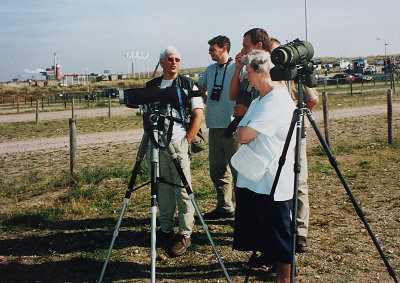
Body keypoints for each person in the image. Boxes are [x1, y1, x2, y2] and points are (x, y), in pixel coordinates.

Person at [233, 50, 295, 283]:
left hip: (273, 178)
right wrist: (242, 130)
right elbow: (243, 130)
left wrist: (242, 130)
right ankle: (274, 270)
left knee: (279, 231)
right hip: (256, 176)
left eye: (248, 72)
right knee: (266, 231)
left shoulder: (277, 99)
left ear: (262, 72)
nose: (246, 77)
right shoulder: (260, 99)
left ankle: (285, 278)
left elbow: (245, 133)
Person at [145, 45, 205, 257]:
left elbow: (199, 115)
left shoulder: (189, 84)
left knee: (182, 188)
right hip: (157, 144)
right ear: (162, 62)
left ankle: (185, 233)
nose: (174, 63)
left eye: (177, 59)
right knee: (162, 188)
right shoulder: (151, 86)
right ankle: (166, 229)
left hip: (178, 143)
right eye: (170, 59)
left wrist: (187, 141)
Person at [270, 37, 319, 253]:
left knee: (300, 183)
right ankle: (281, 228)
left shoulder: (294, 75)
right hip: (275, 137)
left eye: (278, 52)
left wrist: (295, 115)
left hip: (295, 132)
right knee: (279, 182)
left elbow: (312, 100)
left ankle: (300, 232)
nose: (276, 58)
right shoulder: (269, 76)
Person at [198, 35, 239, 219]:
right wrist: (205, 96)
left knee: (238, 170)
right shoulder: (210, 69)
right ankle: (224, 206)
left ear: (224, 48)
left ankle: (244, 212)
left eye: (212, 49)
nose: (209, 52)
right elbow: (200, 86)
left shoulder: (237, 68)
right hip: (214, 125)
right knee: (217, 168)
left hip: (232, 125)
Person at [229, 28, 271, 118]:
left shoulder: (271, 71)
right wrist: (238, 69)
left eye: (246, 46)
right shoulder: (250, 71)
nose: (243, 50)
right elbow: (232, 96)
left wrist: (247, 111)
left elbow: (273, 108)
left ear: (259, 46)